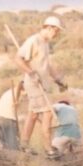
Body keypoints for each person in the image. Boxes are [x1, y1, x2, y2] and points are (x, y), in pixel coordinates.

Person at [15, 16, 67, 157]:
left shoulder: (45, 43)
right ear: (49, 28)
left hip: (42, 83)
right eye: (56, 32)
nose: (56, 35)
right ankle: (48, 148)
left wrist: (58, 79)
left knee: (32, 115)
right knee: (48, 112)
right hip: (34, 83)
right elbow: (18, 58)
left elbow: (47, 65)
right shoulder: (34, 40)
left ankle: (24, 144)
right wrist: (31, 73)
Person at [0, 81, 25, 150]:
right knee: (13, 146)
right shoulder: (19, 92)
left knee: (4, 146)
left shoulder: (9, 92)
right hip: (7, 118)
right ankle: (16, 159)